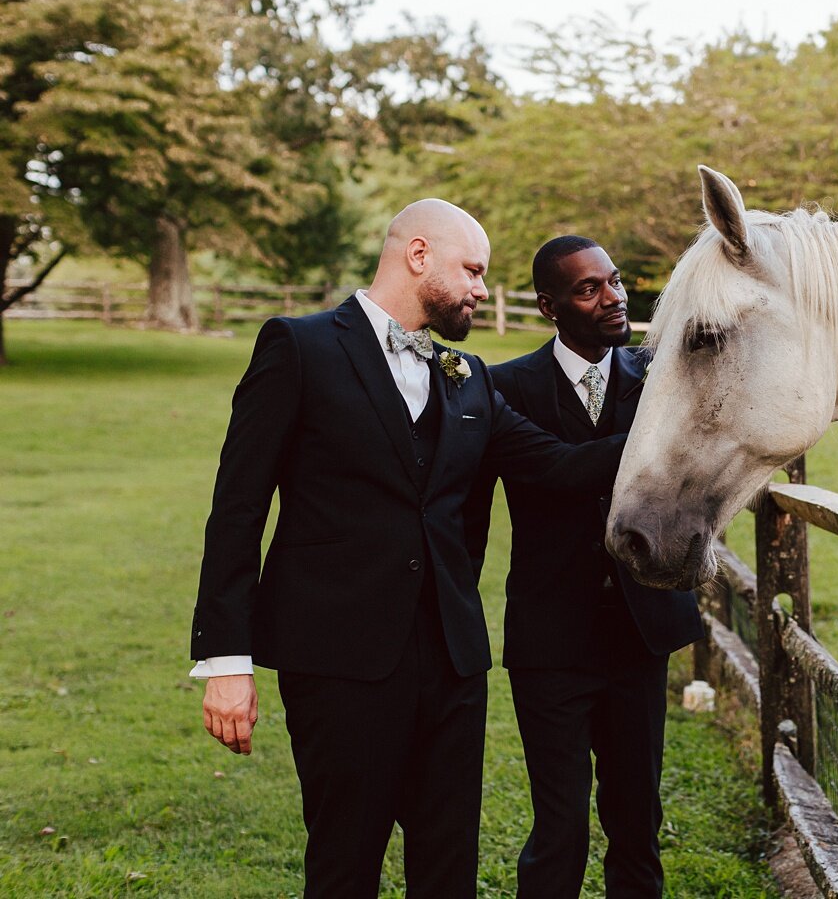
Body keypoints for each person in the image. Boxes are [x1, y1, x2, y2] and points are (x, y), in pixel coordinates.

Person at [189, 202, 625, 899]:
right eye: (473, 272)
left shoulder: (469, 376)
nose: (482, 289)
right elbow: (238, 511)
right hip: (338, 663)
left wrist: (687, 427)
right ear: (419, 256)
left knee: (448, 868)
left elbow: (562, 467)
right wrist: (226, 662)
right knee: (344, 866)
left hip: (453, 667)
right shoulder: (297, 348)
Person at [480, 236, 704, 898]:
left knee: (637, 821)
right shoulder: (504, 389)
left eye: (613, 282)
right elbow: (553, 470)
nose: (613, 299)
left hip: (641, 634)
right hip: (551, 641)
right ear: (550, 306)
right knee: (560, 827)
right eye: (589, 289)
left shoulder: (663, 377)